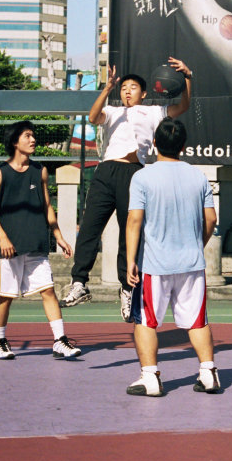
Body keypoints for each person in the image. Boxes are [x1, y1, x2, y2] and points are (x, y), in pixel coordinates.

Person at [60, 57, 192, 321]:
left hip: (134, 173)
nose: (127, 91)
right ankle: (79, 283)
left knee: (128, 233)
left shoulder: (154, 111)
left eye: (132, 87)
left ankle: (126, 287)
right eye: (124, 87)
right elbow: (93, 116)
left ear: (143, 93)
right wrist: (107, 89)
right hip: (107, 171)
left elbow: (183, 106)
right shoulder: (112, 111)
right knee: (89, 227)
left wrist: (188, 77)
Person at [125, 117, 220, 396]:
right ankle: (208, 373)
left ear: (155, 143)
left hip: (155, 264)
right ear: (184, 146)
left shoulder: (142, 176)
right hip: (192, 263)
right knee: (197, 321)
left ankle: (150, 377)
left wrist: (131, 259)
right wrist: (196, 244)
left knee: (146, 321)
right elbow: (211, 219)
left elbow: (134, 220)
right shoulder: (198, 176)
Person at [0, 120, 81, 360]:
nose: (33, 139)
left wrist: (59, 235)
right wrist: (3, 238)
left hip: (35, 245)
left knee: (48, 291)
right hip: (8, 248)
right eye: (27, 136)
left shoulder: (40, 171)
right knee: (5, 296)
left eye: (33, 135)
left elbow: (46, 204)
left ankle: (59, 340)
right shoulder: (0, 173)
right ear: (15, 142)